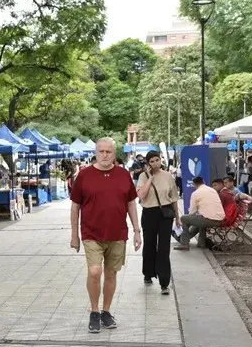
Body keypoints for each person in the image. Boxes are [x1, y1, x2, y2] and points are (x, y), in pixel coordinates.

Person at [70, 137, 141, 333]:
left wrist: (137, 230)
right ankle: (94, 311)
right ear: (95, 152)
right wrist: (74, 235)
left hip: (117, 233)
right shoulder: (84, 176)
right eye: (101, 151)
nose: (104, 155)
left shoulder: (123, 174)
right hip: (91, 233)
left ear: (114, 153)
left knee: (111, 273)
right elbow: (75, 207)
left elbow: (131, 203)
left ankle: (106, 311)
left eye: (108, 152)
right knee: (94, 271)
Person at [136, 150, 181, 295]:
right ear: (147, 163)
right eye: (151, 161)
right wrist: (149, 177)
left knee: (164, 247)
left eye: (157, 160)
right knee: (149, 244)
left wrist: (178, 217)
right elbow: (141, 195)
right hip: (149, 213)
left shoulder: (168, 176)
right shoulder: (143, 176)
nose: (155, 163)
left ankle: (164, 282)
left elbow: (174, 198)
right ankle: (148, 273)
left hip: (165, 214)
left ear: (160, 160)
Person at [175, 176, 225, 251]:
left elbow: (191, 212)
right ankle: (201, 243)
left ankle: (184, 243)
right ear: (203, 182)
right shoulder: (212, 190)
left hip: (209, 219)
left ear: (194, 184)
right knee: (201, 219)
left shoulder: (196, 193)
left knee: (184, 218)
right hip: (220, 219)